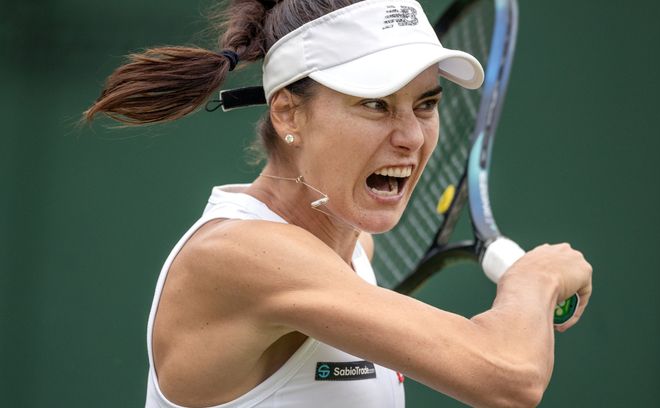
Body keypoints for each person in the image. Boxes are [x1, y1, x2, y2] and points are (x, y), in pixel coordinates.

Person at [85, 0, 592, 407]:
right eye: (375, 104)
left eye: (426, 103)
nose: (412, 136)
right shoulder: (240, 255)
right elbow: (509, 375)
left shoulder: (352, 251)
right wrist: (536, 279)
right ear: (288, 114)